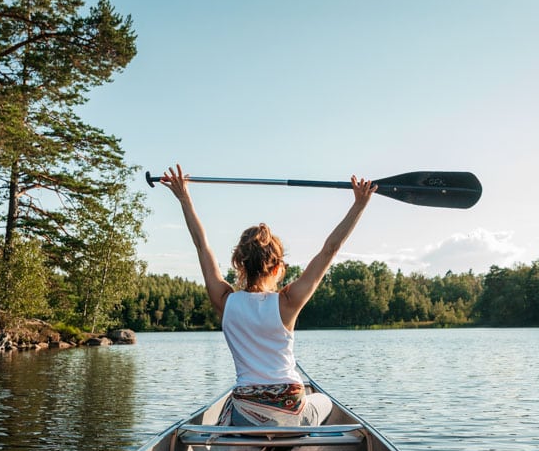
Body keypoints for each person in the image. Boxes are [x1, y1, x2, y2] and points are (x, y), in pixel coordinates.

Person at [160, 164, 377, 426]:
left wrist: (184, 198)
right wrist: (360, 204)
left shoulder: (225, 301)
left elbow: (201, 245)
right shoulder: (288, 302)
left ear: (239, 264)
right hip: (291, 406)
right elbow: (330, 250)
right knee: (325, 401)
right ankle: (288, 450)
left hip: (248, 406)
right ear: (277, 268)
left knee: (233, 409)